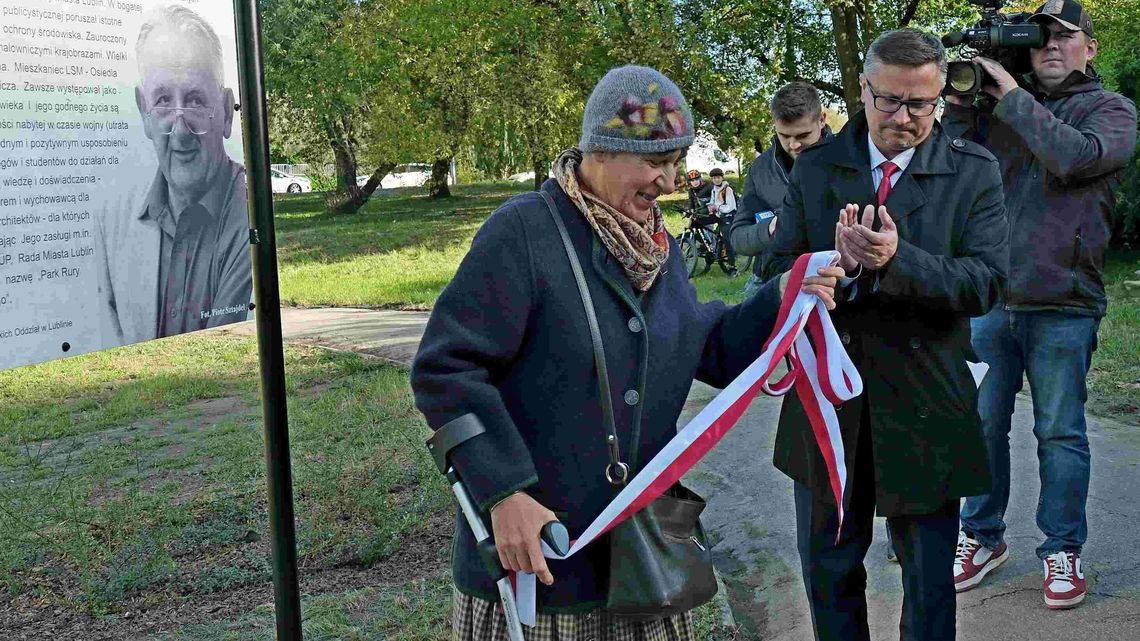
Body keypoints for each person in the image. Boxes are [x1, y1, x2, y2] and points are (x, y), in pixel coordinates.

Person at [410, 65, 843, 640]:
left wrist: (785, 293)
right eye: (654, 163)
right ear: (599, 152)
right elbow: (446, 369)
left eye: (676, 161)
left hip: (643, 566)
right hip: (544, 568)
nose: (669, 182)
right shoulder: (523, 232)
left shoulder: (655, 245)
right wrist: (503, 491)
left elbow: (703, 347)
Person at [763, 29, 1008, 641]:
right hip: (830, 404)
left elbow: (987, 283)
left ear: (940, 98)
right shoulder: (817, 168)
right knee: (830, 573)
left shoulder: (974, 171)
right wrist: (832, 264)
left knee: (928, 586)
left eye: (921, 104)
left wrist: (899, 260)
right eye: (889, 101)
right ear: (864, 91)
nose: (905, 118)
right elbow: (773, 276)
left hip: (927, 400)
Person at [940, 0, 1137, 608]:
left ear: (1091, 48)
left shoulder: (1112, 109)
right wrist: (960, 98)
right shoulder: (999, 106)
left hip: (1064, 300)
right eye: (1040, 37)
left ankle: (1062, 549)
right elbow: (946, 159)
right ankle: (981, 535)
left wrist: (1010, 99)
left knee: (1059, 432)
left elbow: (1074, 156)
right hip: (993, 297)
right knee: (981, 425)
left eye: (1065, 36)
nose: (1051, 46)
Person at [96, 3, 251, 346]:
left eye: (196, 100)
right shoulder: (111, 222)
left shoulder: (252, 215)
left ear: (226, 112)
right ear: (144, 112)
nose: (179, 130)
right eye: (163, 100)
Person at [734, 82, 833, 298]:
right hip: (770, 280)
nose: (794, 145)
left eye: (802, 135)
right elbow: (738, 236)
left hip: (831, 281)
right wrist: (770, 228)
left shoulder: (848, 159)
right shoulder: (759, 170)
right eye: (784, 136)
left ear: (822, 119)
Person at [707, 167, 738, 276]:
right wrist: (710, 207)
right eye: (714, 178)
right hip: (719, 217)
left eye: (718, 177)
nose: (716, 180)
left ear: (722, 178)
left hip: (728, 216)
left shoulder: (727, 189)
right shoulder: (714, 190)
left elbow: (730, 206)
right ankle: (717, 254)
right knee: (715, 235)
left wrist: (717, 207)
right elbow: (712, 202)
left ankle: (733, 267)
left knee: (727, 240)